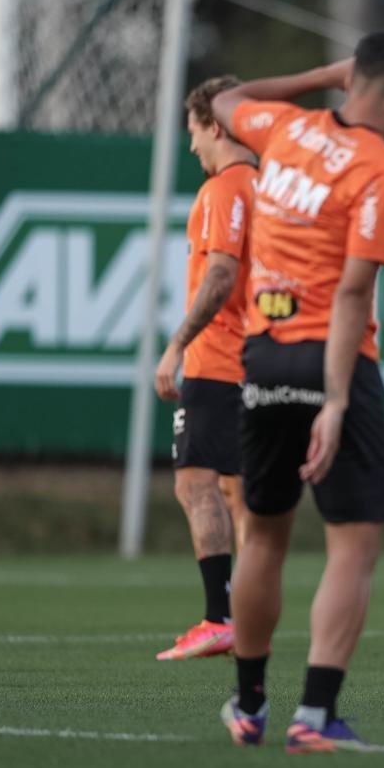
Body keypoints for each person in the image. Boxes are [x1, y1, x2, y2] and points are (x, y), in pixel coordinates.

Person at [208, 29, 384, 752]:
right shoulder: (382, 172)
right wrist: (334, 401)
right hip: (330, 363)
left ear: (348, 79)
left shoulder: (285, 129)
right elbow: (352, 293)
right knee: (352, 546)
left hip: (262, 357)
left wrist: (323, 75)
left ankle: (247, 706)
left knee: (263, 535)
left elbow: (229, 98)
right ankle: (315, 716)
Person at [153, 76, 255, 662]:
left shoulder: (224, 190)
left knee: (193, 481)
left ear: (213, 126)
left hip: (218, 360)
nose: (192, 146)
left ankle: (219, 617)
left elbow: (219, 275)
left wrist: (175, 346)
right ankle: (244, 615)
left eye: (193, 132)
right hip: (258, 360)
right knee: (234, 490)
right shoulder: (267, 185)